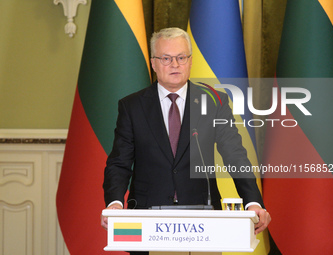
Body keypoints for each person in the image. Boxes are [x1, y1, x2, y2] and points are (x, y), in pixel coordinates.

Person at [101, 27, 271, 254]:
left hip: (205, 222)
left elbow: (235, 155)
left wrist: (253, 203)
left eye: (181, 57)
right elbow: (119, 163)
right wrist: (114, 204)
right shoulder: (132, 106)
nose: (175, 64)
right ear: (153, 63)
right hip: (146, 219)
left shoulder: (215, 102)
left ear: (190, 61)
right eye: (166, 58)